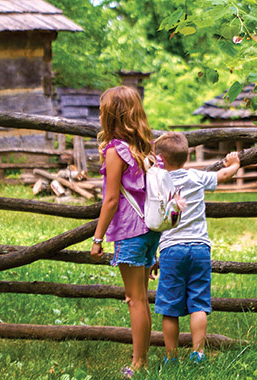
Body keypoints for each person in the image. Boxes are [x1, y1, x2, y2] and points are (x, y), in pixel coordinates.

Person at [151, 132, 240, 364]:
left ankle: (171, 357)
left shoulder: (156, 181)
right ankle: (198, 353)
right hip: (200, 248)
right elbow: (223, 174)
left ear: (160, 159)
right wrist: (235, 163)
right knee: (198, 303)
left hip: (171, 250)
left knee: (170, 307)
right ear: (186, 156)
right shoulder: (195, 177)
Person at [90, 86, 160, 378]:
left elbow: (110, 200)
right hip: (150, 229)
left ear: (111, 115)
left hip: (130, 230)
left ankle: (139, 363)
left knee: (135, 299)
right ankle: (141, 358)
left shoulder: (114, 151)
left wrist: (97, 238)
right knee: (141, 296)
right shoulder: (145, 147)